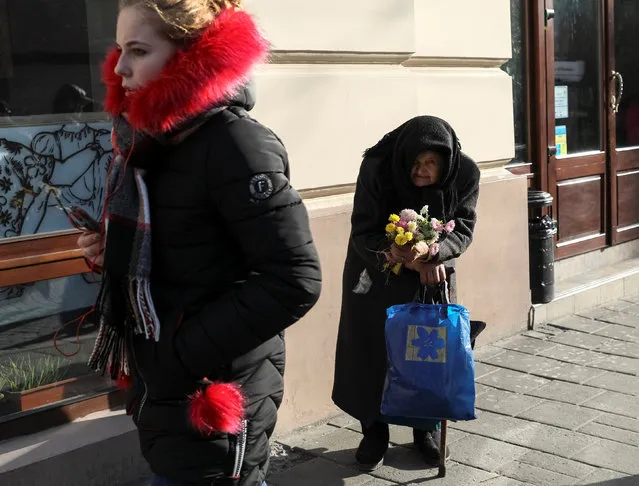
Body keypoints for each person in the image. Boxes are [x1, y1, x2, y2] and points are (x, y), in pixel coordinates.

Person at [76, 1, 322, 485]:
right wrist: (116, 253)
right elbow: (186, 248)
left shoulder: (235, 145)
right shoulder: (151, 143)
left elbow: (295, 279)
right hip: (167, 392)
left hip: (213, 395)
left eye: (139, 50)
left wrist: (179, 355)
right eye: (120, 49)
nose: (119, 67)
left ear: (192, 57)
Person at [332, 116, 480, 471]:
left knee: (428, 353)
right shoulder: (378, 167)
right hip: (376, 269)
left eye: (431, 163)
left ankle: (424, 428)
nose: (421, 171)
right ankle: (374, 431)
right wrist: (398, 254)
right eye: (414, 162)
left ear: (446, 162)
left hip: (431, 277)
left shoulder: (465, 173)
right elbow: (363, 229)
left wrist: (433, 253)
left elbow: (463, 228)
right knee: (371, 353)